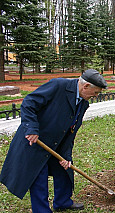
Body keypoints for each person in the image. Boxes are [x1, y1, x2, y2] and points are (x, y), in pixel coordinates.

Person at [0, 69, 107, 212]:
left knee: (65, 170)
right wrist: (31, 128)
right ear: (85, 86)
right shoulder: (58, 86)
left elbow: (71, 131)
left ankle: (63, 202)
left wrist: (66, 155)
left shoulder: (82, 102)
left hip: (57, 142)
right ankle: (42, 210)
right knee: (39, 177)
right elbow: (29, 103)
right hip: (36, 140)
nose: (96, 96)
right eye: (95, 92)